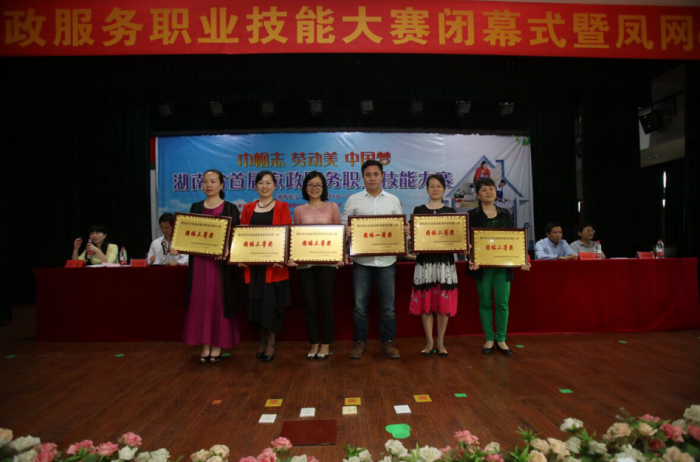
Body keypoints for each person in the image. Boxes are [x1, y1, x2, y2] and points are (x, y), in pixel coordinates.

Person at [342, 159, 407, 360]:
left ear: (382, 176)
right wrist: (346, 231)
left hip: (387, 262)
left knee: (388, 306)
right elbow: (343, 229)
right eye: (368, 174)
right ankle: (360, 340)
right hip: (362, 263)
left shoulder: (393, 200)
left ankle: (388, 341)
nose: (372, 178)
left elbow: (399, 230)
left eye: (376, 174)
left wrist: (404, 231)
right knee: (359, 306)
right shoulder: (353, 200)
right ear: (362, 177)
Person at [182, 169, 240, 364]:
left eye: (213, 181)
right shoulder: (196, 207)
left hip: (219, 266)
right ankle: (205, 344)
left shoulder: (230, 208)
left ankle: (217, 344)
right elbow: (188, 233)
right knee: (201, 302)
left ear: (221, 185)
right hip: (199, 263)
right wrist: (178, 244)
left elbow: (236, 238)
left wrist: (228, 250)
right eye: (205, 181)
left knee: (217, 301)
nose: (209, 185)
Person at [468, 178, 531, 356]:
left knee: (502, 303)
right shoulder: (472, 215)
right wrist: (470, 257)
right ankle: (489, 338)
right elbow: (468, 242)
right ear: (478, 195)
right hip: (481, 267)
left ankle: (501, 339)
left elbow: (513, 239)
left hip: (503, 266)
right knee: (485, 303)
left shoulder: (505, 213)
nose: (489, 192)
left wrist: (522, 259)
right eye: (484, 190)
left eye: (491, 189)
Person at [289, 171, 341, 360]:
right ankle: (313, 343)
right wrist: (293, 256)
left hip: (328, 265)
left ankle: (325, 343)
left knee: (325, 305)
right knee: (310, 305)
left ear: (323, 187)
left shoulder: (332, 207)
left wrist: (340, 255)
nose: (314, 188)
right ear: (305, 188)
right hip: (306, 266)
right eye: (310, 185)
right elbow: (296, 238)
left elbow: (339, 234)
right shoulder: (299, 210)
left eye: (318, 185)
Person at [240, 171, 292, 362]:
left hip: (274, 268)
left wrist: (282, 256)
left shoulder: (282, 207)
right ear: (255, 186)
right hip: (254, 268)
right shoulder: (248, 208)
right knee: (257, 306)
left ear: (275, 186)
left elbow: (287, 233)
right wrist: (240, 257)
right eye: (261, 183)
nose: (264, 186)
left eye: (268, 183)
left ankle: (271, 342)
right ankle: (262, 341)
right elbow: (241, 235)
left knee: (272, 306)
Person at [408, 173, 458, 357]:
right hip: (425, 263)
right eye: (432, 186)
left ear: (444, 189)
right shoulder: (419, 210)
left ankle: (440, 341)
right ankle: (429, 341)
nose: (435, 189)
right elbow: (414, 237)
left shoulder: (451, 212)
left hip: (445, 263)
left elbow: (457, 237)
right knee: (426, 302)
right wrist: (408, 230)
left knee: (443, 303)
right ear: (427, 189)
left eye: (439, 186)